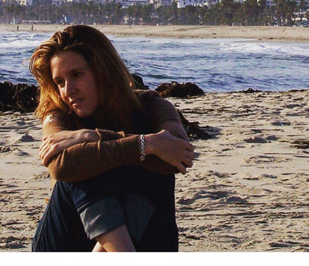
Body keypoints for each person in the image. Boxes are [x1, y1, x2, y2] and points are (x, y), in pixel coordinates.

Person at [29, 25, 195, 252]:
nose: (68, 91)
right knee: (81, 166)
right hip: (68, 244)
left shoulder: (151, 105)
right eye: (60, 82)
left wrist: (92, 136)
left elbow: (179, 154)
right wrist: (147, 144)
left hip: (146, 238)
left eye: (77, 75)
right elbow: (61, 166)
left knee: (158, 169)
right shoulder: (58, 115)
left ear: (102, 70)